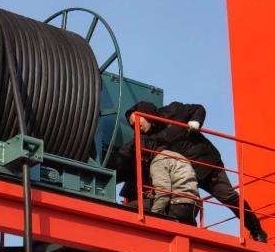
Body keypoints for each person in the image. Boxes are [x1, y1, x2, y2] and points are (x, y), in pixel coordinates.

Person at [114, 100, 267, 241]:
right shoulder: (142, 139)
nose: (136, 126)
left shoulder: (173, 111)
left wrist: (196, 122)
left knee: (229, 197)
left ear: (146, 114)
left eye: (137, 121)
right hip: (183, 176)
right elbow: (126, 155)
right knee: (182, 201)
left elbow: (198, 109)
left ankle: (257, 230)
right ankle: (188, 231)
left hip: (206, 166)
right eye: (132, 125)